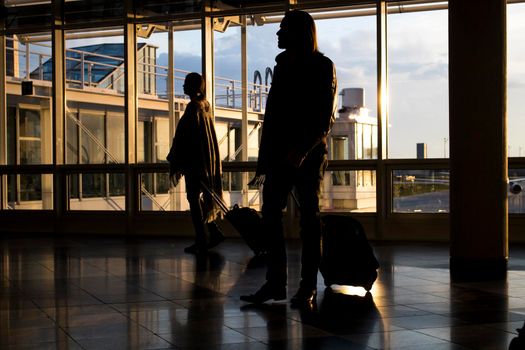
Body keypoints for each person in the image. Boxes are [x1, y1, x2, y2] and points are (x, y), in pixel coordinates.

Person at [240, 10, 337, 306]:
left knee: (308, 219)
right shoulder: (283, 66)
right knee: (273, 216)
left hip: (306, 154)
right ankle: (277, 284)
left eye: (283, 29)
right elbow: (275, 116)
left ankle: (306, 286)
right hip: (282, 154)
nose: (278, 34)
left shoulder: (322, 66)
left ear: (298, 32)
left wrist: (301, 151)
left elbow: (323, 117)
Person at [167, 72, 225, 254]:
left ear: (193, 87)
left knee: (193, 199)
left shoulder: (193, 108)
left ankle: (202, 238)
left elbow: (184, 136)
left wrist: (176, 158)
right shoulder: (205, 106)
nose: (183, 86)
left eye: (186, 84)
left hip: (195, 163)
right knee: (203, 198)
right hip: (206, 161)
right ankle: (213, 232)